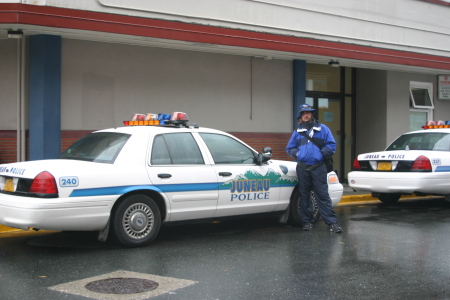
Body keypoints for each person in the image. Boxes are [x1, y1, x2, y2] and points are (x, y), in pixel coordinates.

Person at [286, 103, 343, 233]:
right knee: (304, 196)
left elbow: (331, 145)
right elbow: (290, 148)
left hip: (318, 167)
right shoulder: (297, 132)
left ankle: (332, 223)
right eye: (303, 113)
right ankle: (307, 222)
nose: (306, 115)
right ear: (301, 116)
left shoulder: (323, 129)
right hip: (302, 167)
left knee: (322, 195)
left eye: (308, 113)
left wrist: (320, 154)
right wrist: (297, 154)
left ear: (312, 114)